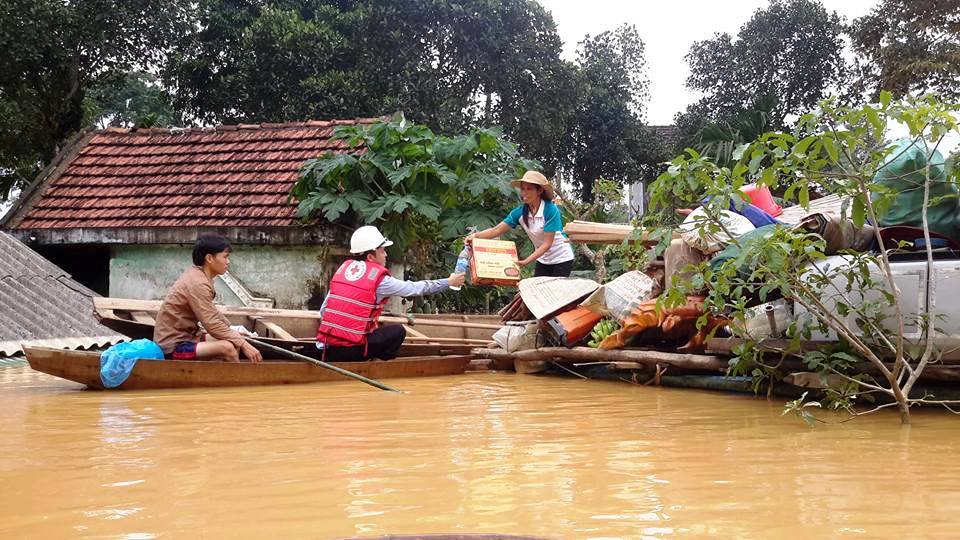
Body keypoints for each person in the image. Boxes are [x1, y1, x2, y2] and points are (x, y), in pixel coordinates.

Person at [316, 225, 466, 361]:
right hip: (354, 350)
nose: (386, 255)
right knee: (398, 331)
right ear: (370, 257)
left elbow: (324, 310)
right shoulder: (380, 280)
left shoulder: (344, 271)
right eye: (382, 251)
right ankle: (377, 363)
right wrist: (449, 282)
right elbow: (414, 288)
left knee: (379, 325)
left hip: (329, 349)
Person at [153, 234, 263, 363]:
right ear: (210, 258)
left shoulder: (199, 276)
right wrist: (244, 344)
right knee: (227, 347)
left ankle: (220, 377)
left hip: (189, 337)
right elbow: (211, 324)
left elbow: (212, 312)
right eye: (225, 257)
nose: (228, 262)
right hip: (173, 346)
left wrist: (232, 331)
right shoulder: (198, 283)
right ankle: (238, 381)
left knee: (233, 340)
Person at [465, 170, 575, 277]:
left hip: (561, 257)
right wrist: (475, 236)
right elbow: (496, 230)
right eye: (522, 189)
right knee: (538, 290)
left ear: (540, 191)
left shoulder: (550, 210)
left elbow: (547, 244)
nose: (524, 193)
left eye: (529, 189)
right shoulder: (519, 212)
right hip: (543, 259)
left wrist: (526, 261)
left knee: (555, 292)